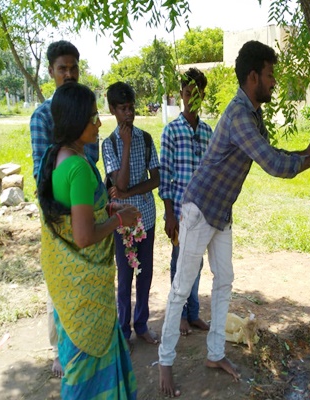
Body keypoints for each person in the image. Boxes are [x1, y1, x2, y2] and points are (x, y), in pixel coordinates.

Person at [158, 40, 310, 397]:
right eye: (270, 76)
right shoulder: (240, 114)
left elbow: (270, 153)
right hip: (198, 209)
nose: (273, 83)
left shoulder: (253, 114)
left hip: (220, 213)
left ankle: (214, 354)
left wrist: (306, 150)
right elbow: (272, 165)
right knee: (181, 288)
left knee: (224, 280)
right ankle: (164, 363)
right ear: (253, 76)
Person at [37, 82, 139, 399]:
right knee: (86, 377)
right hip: (85, 293)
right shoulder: (79, 168)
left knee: (78, 363)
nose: (98, 124)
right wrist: (120, 220)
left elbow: (76, 213)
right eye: (93, 117)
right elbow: (82, 236)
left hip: (67, 288)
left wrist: (106, 209)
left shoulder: (55, 158)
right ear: (75, 120)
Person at [29, 40, 99, 378]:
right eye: (62, 69)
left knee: (84, 290)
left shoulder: (86, 110)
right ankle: (61, 350)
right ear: (51, 72)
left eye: (73, 68)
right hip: (61, 218)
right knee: (60, 288)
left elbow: (92, 160)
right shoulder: (43, 117)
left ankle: (83, 343)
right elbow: (44, 172)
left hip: (85, 203)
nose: (69, 74)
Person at [102, 82, 161, 347]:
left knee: (145, 274)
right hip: (122, 223)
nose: (129, 114)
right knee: (124, 278)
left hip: (146, 217)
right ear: (112, 109)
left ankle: (141, 324)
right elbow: (120, 184)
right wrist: (126, 145)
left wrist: (127, 193)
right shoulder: (110, 144)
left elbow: (156, 179)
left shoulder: (146, 139)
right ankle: (124, 332)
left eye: (131, 108)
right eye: (122, 109)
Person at [159, 68, 212, 336]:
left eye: (197, 94)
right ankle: (178, 314)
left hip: (203, 215)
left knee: (197, 263)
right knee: (180, 263)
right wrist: (169, 215)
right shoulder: (171, 132)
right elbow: (165, 176)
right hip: (179, 213)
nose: (192, 98)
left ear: (203, 96)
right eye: (188, 93)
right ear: (181, 95)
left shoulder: (207, 132)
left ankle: (193, 314)